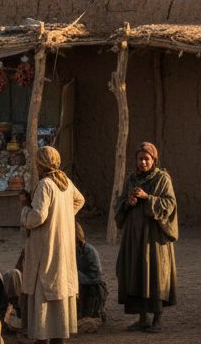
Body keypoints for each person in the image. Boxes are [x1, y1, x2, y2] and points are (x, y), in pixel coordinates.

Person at [20, 146, 84, 344]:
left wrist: (24, 210)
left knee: (44, 290)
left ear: (41, 164)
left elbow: (38, 216)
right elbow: (79, 200)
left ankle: (42, 337)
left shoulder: (46, 184)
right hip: (61, 247)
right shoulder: (66, 182)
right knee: (59, 289)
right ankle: (58, 337)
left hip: (46, 248)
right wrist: (63, 217)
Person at [115, 141, 178, 334]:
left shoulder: (162, 179)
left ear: (154, 160)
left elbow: (169, 204)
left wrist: (147, 198)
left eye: (146, 159)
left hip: (154, 238)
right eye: (140, 159)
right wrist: (128, 202)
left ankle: (157, 319)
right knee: (137, 273)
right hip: (134, 237)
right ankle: (142, 318)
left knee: (155, 274)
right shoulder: (131, 179)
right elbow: (119, 205)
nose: (143, 162)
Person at [75, 223, 107, 321]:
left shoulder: (88, 250)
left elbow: (94, 277)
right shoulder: (80, 249)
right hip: (87, 281)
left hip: (91, 284)